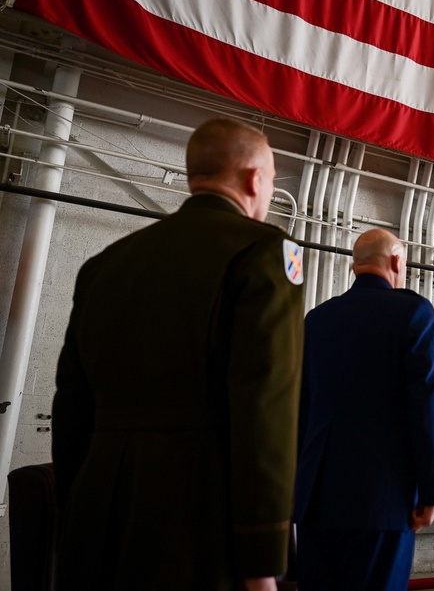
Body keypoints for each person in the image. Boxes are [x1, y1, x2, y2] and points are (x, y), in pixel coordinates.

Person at [52, 117, 304, 591]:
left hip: (99, 516)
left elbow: (71, 406)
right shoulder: (263, 253)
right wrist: (262, 558)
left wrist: (77, 512)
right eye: (271, 182)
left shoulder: (106, 264)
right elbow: (264, 412)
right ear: (254, 180)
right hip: (199, 524)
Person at [294, 229, 434, 590]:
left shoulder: (317, 320)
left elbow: (300, 406)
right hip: (382, 500)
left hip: (317, 500)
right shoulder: (413, 312)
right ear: (397, 262)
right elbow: (427, 403)